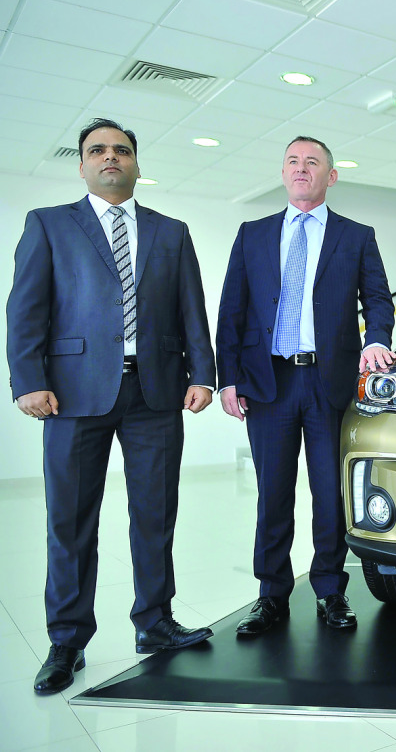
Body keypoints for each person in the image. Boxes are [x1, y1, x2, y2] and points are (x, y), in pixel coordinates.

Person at [6, 118, 216, 695]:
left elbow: (191, 307)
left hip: (157, 392)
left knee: (155, 513)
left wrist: (204, 372)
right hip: (71, 393)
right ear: (81, 165)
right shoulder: (49, 225)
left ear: (136, 165)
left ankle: (154, 623)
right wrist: (26, 379)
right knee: (70, 521)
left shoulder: (170, 231)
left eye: (122, 150)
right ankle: (67, 640)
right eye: (97, 150)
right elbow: (25, 308)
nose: (110, 158)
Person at [215, 136, 395, 636]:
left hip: (329, 381)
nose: (301, 169)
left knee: (329, 494)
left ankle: (330, 591)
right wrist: (226, 377)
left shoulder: (356, 236)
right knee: (273, 493)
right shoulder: (253, 234)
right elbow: (231, 311)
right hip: (267, 382)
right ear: (283, 172)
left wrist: (376, 340)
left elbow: (377, 301)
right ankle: (271, 595)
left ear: (330, 176)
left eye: (312, 162)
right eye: (293, 161)